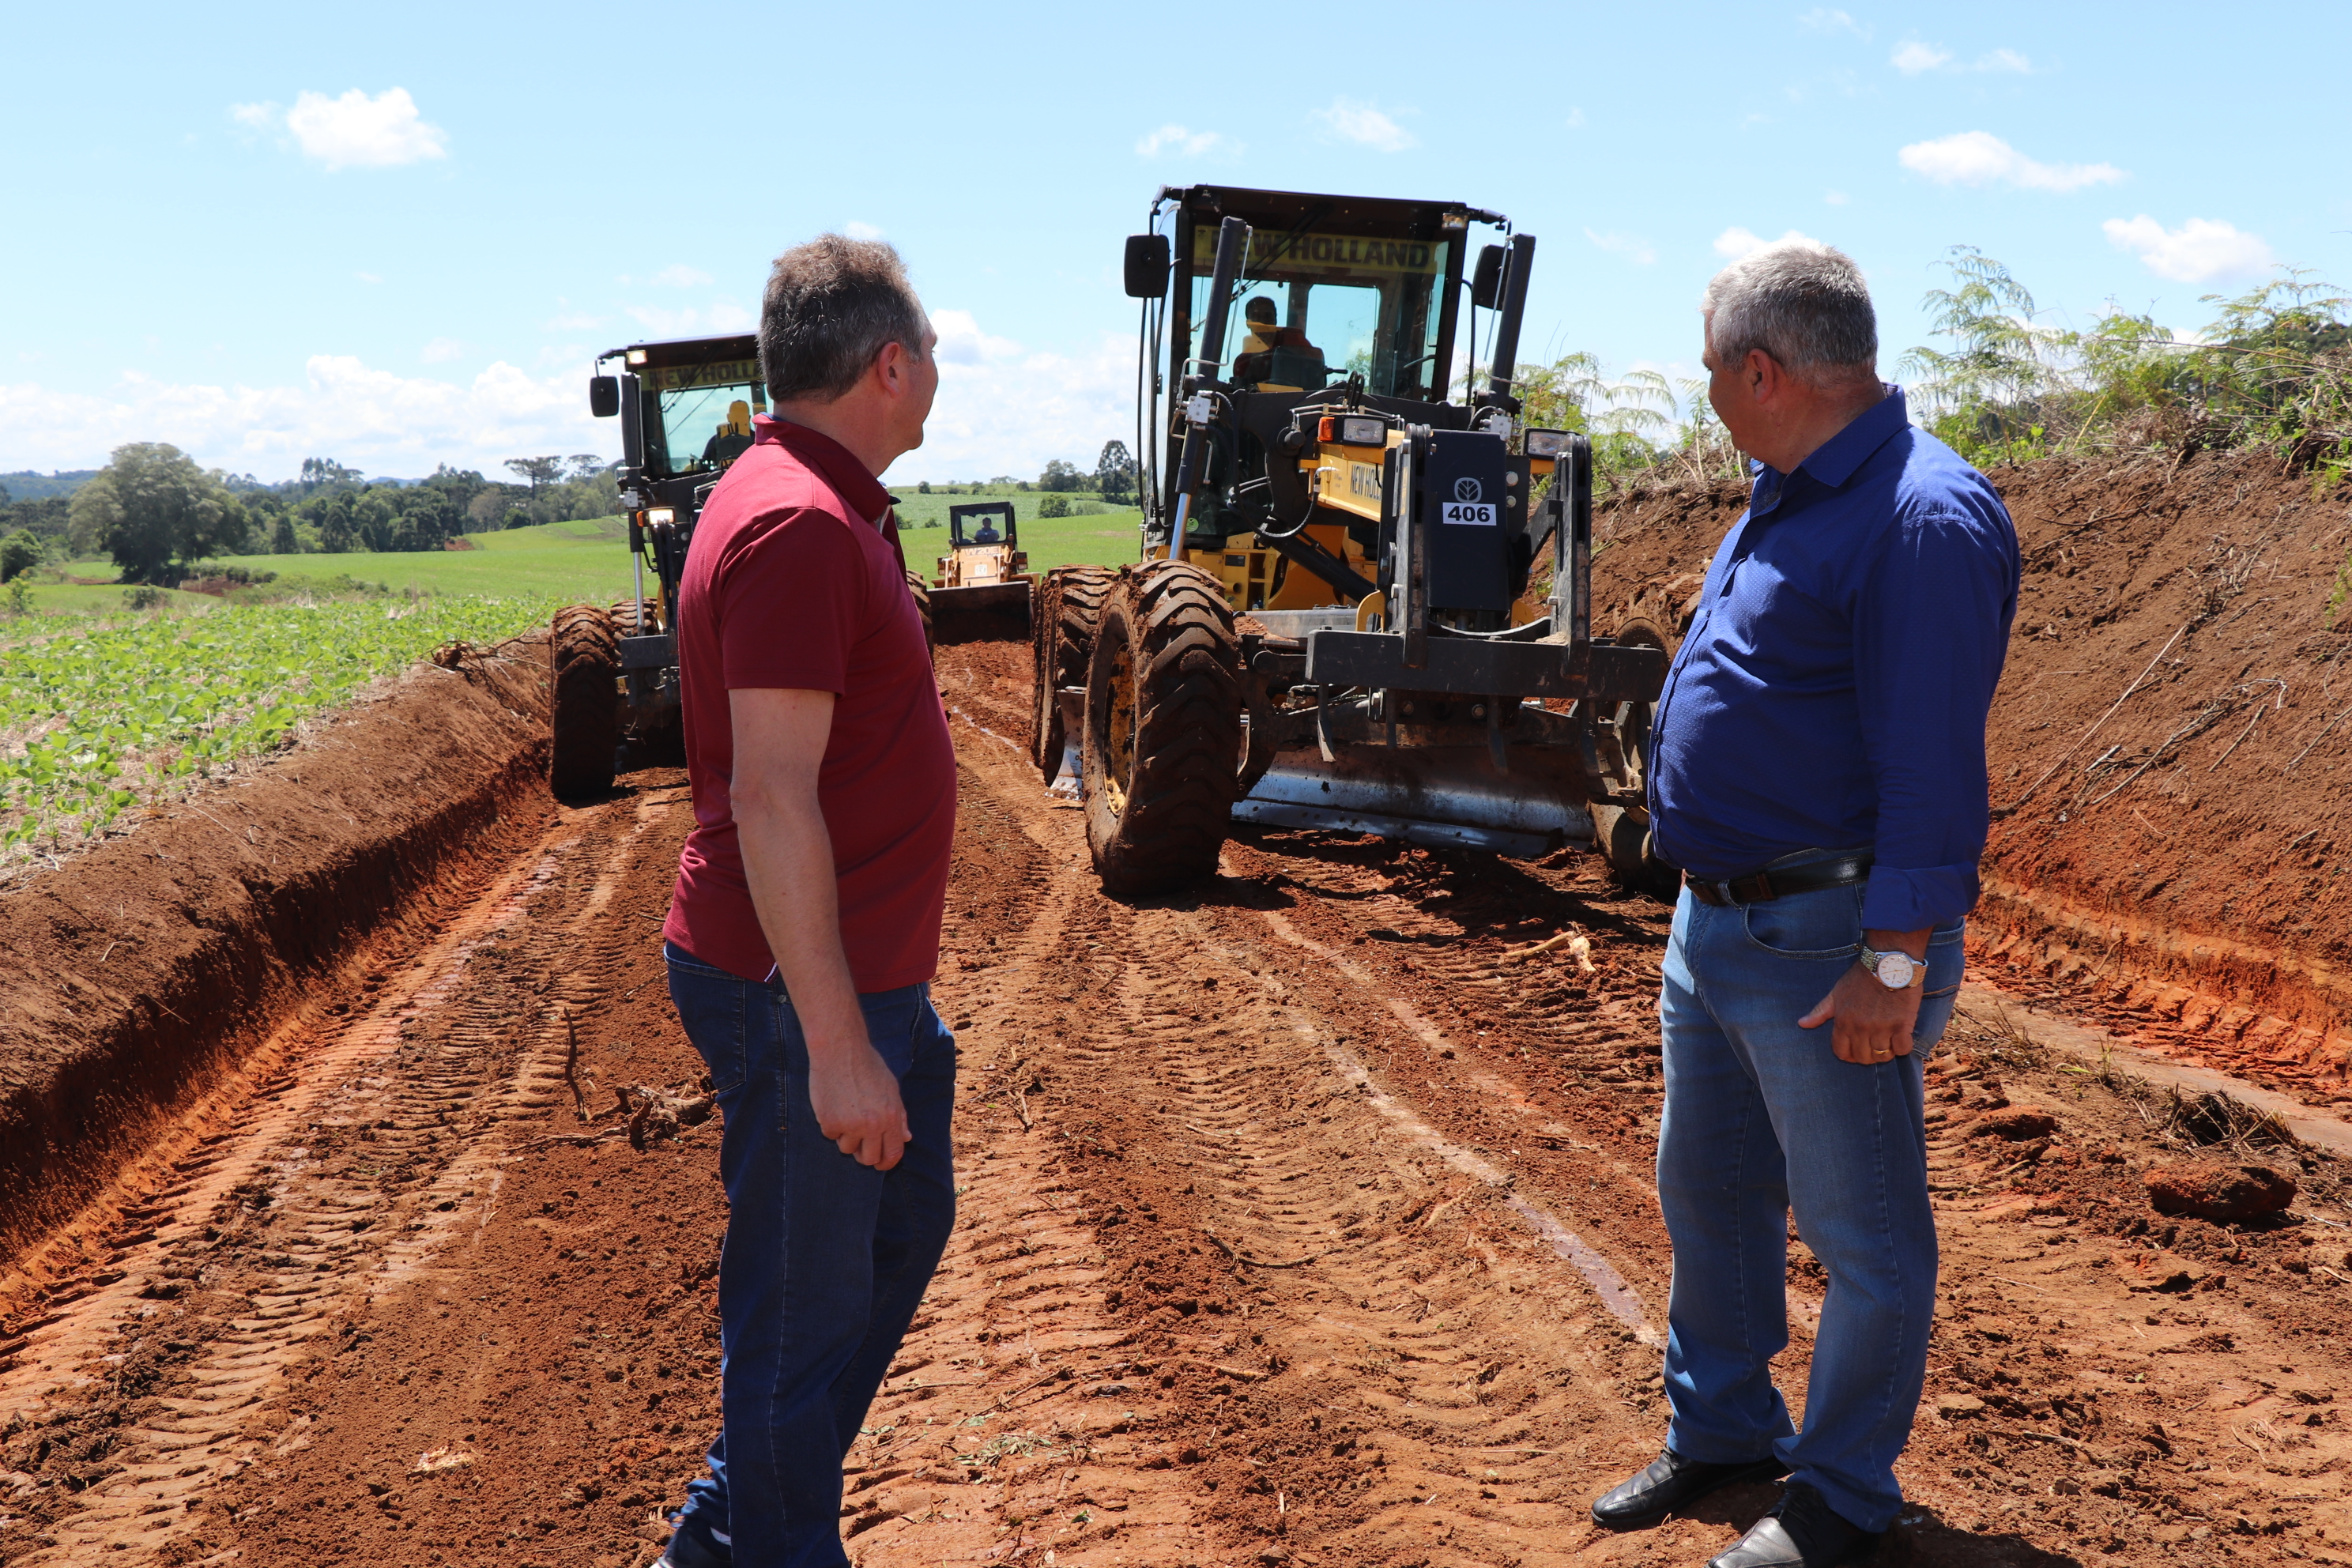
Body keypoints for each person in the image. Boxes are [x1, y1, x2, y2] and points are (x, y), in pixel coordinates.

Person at [1587, 240, 2018, 1568]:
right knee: (1709, 1190)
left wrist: (1897, 957)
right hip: (1716, 924)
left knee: (1862, 1230)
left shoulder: (1918, 516)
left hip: (1830, 937)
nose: (1709, 397)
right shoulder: (1787, 492)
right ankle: (1722, 1426)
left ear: (1761, 370)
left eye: (1713, 373)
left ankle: (1840, 1495)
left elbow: (1932, 760)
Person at [658, 233, 953, 1568]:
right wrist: (835, 1044)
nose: (939, 368)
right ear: (889, 364)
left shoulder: (822, 505)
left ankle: (735, 1526)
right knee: (798, 1311)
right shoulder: (793, 524)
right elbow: (773, 796)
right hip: (796, 989)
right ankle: (765, 1542)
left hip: (850, 977)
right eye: (932, 348)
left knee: (901, 1218)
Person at [1231, 294, 1321, 385]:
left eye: (1267, 316)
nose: (1263, 321)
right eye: (1256, 317)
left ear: (1275, 320)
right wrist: (1255, 363)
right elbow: (1241, 394)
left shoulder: (1294, 340)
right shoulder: (1242, 362)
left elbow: (1314, 373)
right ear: (1248, 323)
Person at [703, 399, 756, 466]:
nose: (738, 419)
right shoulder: (758, 439)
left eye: (741, 416)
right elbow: (705, 463)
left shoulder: (758, 440)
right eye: (736, 416)